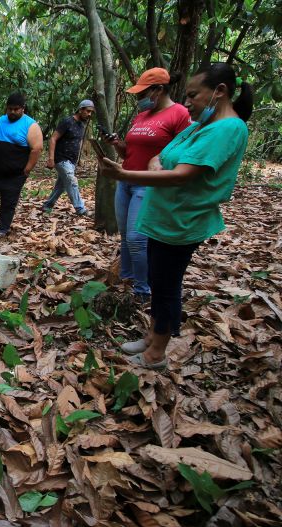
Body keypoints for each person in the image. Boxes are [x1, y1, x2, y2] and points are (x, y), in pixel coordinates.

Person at [99, 62, 252, 369]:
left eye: (194, 95)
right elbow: (162, 154)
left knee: (167, 285)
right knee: (158, 279)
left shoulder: (229, 128)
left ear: (219, 92)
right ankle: (151, 337)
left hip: (182, 221)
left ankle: (156, 354)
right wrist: (155, 163)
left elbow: (182, 174)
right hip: (163, 216)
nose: (188, 102)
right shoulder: (200, 127)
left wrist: (128, 174)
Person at [105, 68, 191, 300]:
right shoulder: (142, 116)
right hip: (127, 180)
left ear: (159, 89)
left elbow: (184, 150)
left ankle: (143, 290)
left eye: (143, 93)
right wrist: (117, 144)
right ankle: (126, 280)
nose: (139, 99)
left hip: (149, 184)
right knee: (124, 236)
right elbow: (129, 153)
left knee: (136, 238)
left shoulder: (179, 114)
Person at [0, 92, 43, 236]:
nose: (12, 112)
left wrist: (27, 169)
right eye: (10, 109)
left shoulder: (30, 125)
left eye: (16, 109)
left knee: (8, 204)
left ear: (23, 108)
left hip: (14, 175)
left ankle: (2, 229)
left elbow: (37, 148)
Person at [42, 100, 95, 216]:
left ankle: (47, 205)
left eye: (91, 112)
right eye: (88, 111)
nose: (89, 114)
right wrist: (51, 158)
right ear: (80, 109)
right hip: (61, 158)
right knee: (72, 181)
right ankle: (80, 209)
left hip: (71, 160)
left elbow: (78, 141)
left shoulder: (82, 125)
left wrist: (79, 159)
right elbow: (53, 139)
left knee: (61, 186)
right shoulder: (67, 122)